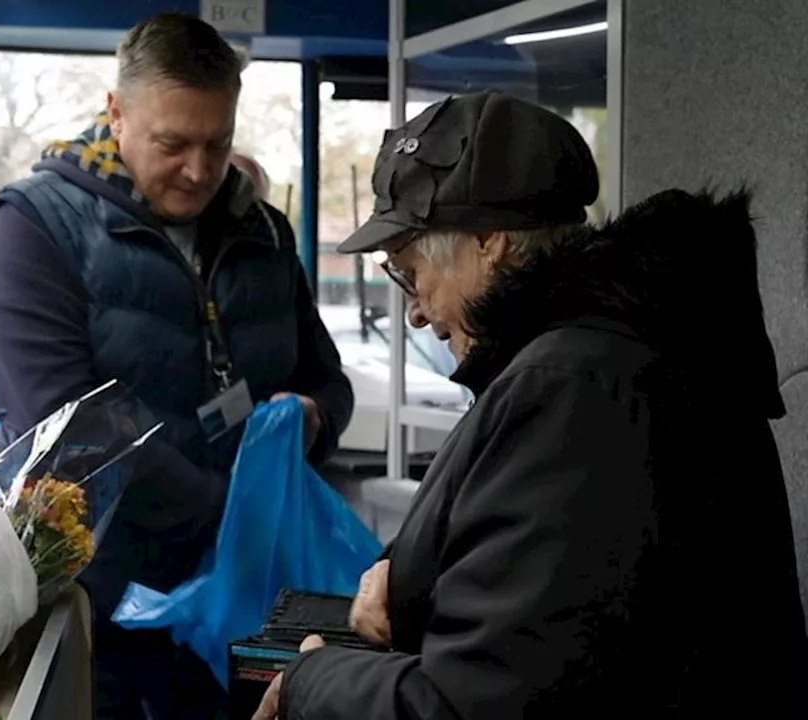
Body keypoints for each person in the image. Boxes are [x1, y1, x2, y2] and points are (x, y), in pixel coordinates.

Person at [255, 90, 808, 718]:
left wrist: (311, 680)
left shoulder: (571, 392)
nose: (412, 309)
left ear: (487, 240)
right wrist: (407, 585)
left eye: (411, 272)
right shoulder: (625, 355)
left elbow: (479, 703)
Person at [0, 12, 353, 719]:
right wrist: (230, 517)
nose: (200, 171)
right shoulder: (34, 226)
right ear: (116, 112)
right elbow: (67, 424)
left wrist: (315, 420)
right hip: (106, 599)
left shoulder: (263, 231)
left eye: (218, 143)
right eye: (173, 143)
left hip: (252, 597)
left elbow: (326, 379)